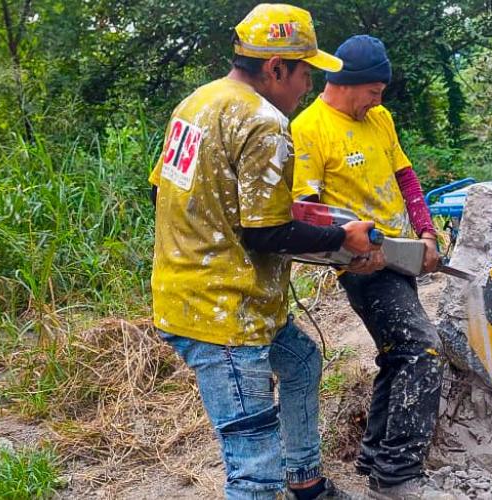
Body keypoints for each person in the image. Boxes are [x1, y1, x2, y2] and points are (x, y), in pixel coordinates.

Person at [148, 5, 377, 499]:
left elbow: (163, 192)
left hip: (186, 297)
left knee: (300, 361)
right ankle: (280, 481)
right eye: (305, 74)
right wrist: (343, 239)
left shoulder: (196, 103)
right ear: (276, 68)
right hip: (227, 313)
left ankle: (306, 481)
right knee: (253, 466)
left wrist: (262, 208)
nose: (308, 89)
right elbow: (266, 235)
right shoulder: (264, 121)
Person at [291, 35, 444, 495]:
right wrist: (346, 255)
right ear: (346, 82)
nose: (377, 103)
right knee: (423, 352)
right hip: (362, 268)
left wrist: (427, 233)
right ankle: (397, 475)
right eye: (373, 93)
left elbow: (405, 176)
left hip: (402, 254)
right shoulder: (309, 128)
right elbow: (306, 211)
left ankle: (377, 456)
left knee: (398, 357)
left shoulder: (380, 118)